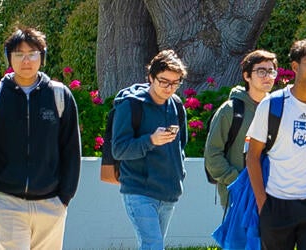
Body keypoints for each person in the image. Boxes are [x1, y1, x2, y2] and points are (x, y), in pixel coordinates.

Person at [0, 27, 79, 250]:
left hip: (51, 203)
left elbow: (70, 150)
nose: (26, 60)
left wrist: (64, 198)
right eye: (19, 54)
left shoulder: (59, 95)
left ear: (43, 56)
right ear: (9, 58)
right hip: (6, 202)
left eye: (32, 53)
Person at [244, 40, 306, 250]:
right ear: (295, 67)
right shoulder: (272, 104)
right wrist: (264, 205)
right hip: (276, 204)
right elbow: (252, 156)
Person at [108, 50, 189, 250]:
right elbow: (118, 149)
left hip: (169, 191)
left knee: (154, 245)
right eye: (164, 81)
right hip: (139, 190)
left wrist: (179, 173)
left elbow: (182, 145)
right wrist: (150, 140)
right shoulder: (131, 105)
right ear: (151, 77)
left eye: (175, 83)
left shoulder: (177, 106)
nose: (169, 88)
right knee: (153, 245)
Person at [205, 50, 277, 207]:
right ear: (247, 76)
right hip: (238, 196)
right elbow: (212, 154)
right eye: (261, 71)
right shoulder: (230, 110)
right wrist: (237, 180)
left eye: (271, 71)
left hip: (272, 195)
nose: (267, 76)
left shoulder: (277, 110)